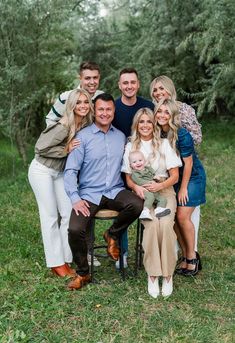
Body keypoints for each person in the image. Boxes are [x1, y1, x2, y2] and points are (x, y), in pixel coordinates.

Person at [64, 93, 143, 290]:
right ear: (94, 111)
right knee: (75, 229)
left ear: (113, 112)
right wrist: (75, 198)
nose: (105, 113)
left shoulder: (120, 137)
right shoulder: (82, 138)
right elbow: (71, 171)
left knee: (136, 204)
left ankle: (112, 234)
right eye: (101, 109)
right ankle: (83, 273)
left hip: (115, 190)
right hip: (89, 193)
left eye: (109, 109)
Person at [28, 88, 94, 277]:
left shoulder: (84, 124)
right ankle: (56, 264)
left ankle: (65, 258)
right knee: (49, 216)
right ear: (71, 106)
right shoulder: (63, 125)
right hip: (42, 171)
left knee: (68, 213)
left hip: (59, 172)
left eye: (85, 102)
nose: (82, 106)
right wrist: (66, 149)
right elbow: (40, 148)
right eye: (78, 102)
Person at [122, 108, 182, 298]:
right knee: (151, 225)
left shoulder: (164, 144)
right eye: (141, 122)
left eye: (149, 121)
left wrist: (160, 186)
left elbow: (175, 176)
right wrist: (136, 188)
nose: (145, 125)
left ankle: (168, 275)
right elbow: (128, 177)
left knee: (164, 225)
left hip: (164, 190)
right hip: (143, 194)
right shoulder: (131, 146)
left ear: (154, 124)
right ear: (136, 125)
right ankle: (153, 275)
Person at [150, 75, 202, 252]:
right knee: (174, 214)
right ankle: (180, 252)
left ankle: (192, 254)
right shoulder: (156, 113)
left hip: (189, 168)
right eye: (155, 90)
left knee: (185, 213)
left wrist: (176, 140)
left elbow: (197, 138)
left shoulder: (183, 111)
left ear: (170, 89)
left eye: (161, 88)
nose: (158, 92)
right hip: (170, 172)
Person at [154, 99, 206, 276]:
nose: (162, 115)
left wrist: (183, 188)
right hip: (172, 178)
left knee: (183, 215)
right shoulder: (157, 133)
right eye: (159, 111)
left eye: (166, 112)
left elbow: (189, 164)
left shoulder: (182, 135)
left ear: (173, 115)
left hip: (191, 177)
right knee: (174, 216)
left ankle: (192, 258)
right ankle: (184, 256)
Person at [113, 68, 154, 267]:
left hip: (146, 168)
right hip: (120, 168)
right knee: (126, 209)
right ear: (119, 85)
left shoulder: (148, 107)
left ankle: (148, 251)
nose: (129, 86)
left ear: (138, 84)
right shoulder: (112, 107)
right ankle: (123, 253)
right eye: (125, 83)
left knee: (148, 206)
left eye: (132, 82)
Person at [46, 61, 103, 125]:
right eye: (87, 78)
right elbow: (50, 120)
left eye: (95, 77)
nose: (92, 82)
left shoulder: (102, 96)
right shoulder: (66, 97)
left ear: (99, 77)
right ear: (80, 78)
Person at [129, 150, 171, 220]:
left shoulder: (148, 169)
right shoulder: (135, 174)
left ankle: (159, 209)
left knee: (162, 199)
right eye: (134, 162)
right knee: (150, 197)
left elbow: (153, 175)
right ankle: (145, 211)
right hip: (144, 190)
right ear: (131, 165)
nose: (138, 163)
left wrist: (156, 177)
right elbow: (139, 181)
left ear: (144, 161)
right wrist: (150, 182)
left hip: (154, 189)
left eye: (140, 160)